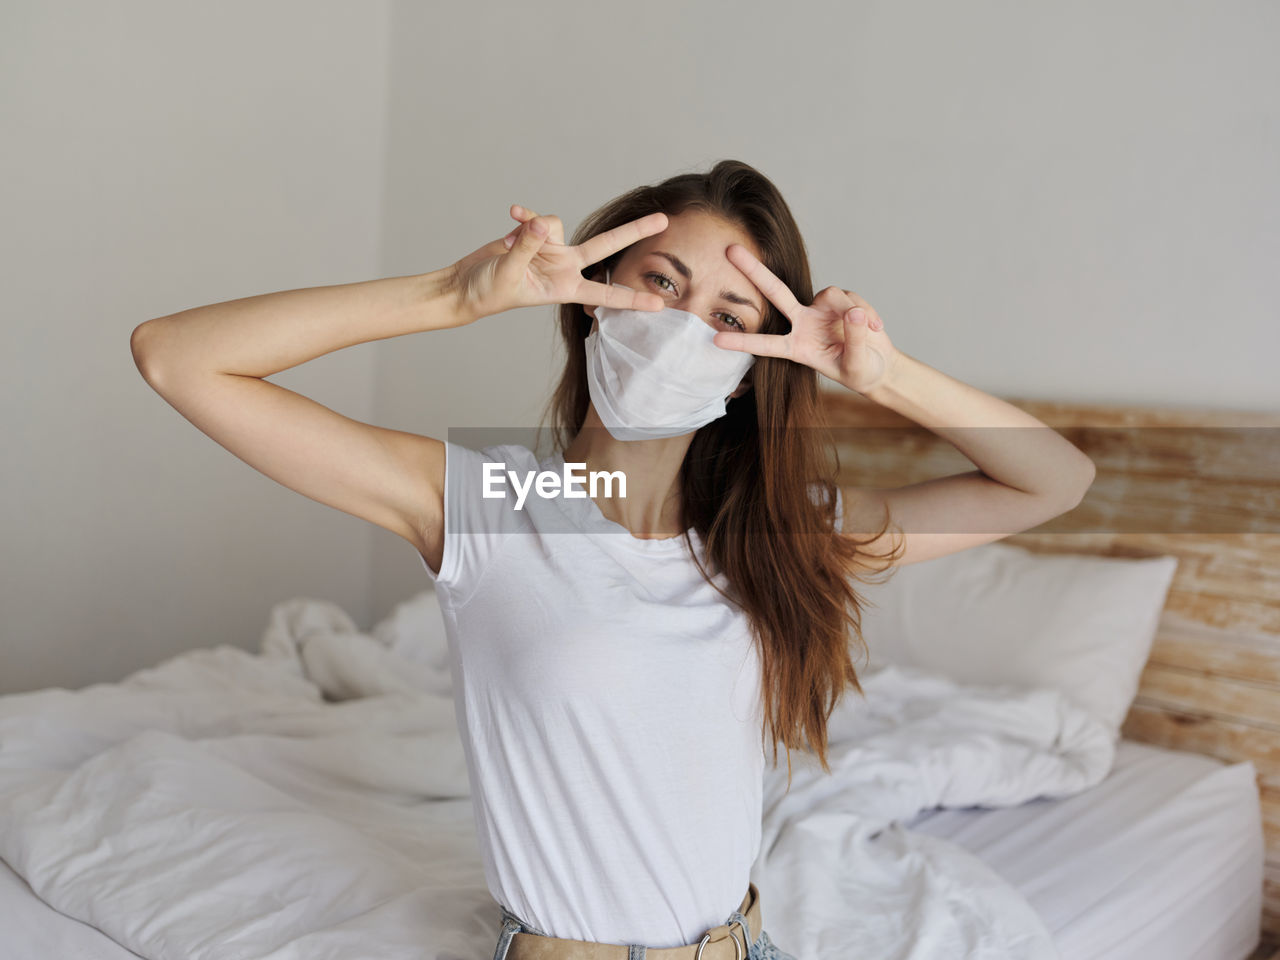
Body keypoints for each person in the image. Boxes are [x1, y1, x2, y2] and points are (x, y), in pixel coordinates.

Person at [131, 159, 1095, 960]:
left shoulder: (768, 533)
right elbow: (176, 357)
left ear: (758, 358)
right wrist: (454, 295)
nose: (683, 325)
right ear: (595, 297)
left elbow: (1053, 482)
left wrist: (875, 373)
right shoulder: (486, 505)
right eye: (662, 280)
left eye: (731, 314)